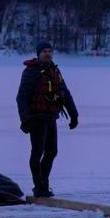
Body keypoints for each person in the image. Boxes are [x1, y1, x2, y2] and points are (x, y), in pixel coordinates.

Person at [17, 41, 78, 197]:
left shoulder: (55, 71)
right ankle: (39, 187)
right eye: (44, 51)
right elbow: (21, 97)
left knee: (52, 152)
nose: (47, 53)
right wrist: (25, 120)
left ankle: (44, 184)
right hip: (36, 118)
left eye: (50, 51)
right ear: (38, 54)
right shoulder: (31, 72)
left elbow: (66, 93)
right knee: (37, 152)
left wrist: (74, 115)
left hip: (51, 118)